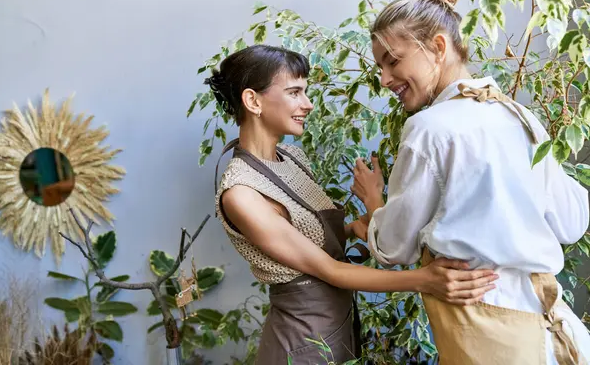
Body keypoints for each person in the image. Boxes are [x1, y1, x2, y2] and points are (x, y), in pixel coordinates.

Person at [206, 44, 499, 364]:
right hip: (300, 341)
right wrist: (426, 280)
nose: (308, 104)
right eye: (294, 92)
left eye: (306, 92)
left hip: (336, 324)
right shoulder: (241, 194)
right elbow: (329, 269)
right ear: (253, 100)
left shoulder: (291, 158)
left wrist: (353, 228)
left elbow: (306, 247)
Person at [351, 0, 590, 365]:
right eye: (380, 66)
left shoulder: (429, 129)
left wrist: (374, 201)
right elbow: (572, 222)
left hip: (487, 336)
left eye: (392, 61)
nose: (384, 79)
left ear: (438, 47)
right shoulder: (518, 115)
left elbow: (395, 247)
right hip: (560, 332)